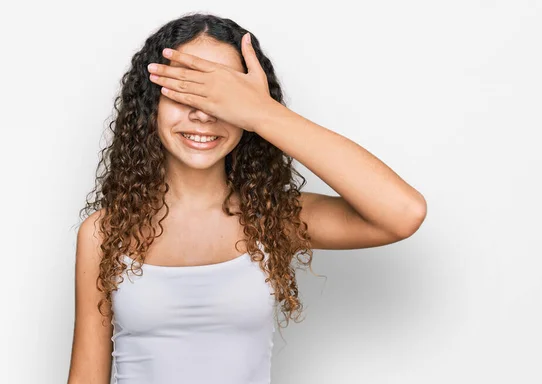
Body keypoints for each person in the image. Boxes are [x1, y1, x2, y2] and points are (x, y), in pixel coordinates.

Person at [67, 12, 427, 384]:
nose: (202, 114)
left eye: (222, 98)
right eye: (182, 93)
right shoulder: (103, 233)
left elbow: (402, 212)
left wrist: (262, 112)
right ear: (150, 107)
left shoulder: (272, 218)